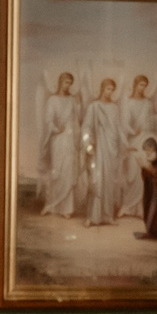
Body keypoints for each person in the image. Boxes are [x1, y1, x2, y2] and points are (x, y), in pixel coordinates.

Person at [38, 71, 85, 218]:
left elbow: (78, 118)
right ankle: (52, 205)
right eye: (66, 82)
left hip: (70, 140)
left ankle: (67, 208)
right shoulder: (52, 100)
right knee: (57, 172)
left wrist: (79, 103)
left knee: (69, 171)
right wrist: (57, 129)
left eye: (70, 83)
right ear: (60, 82)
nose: (68, 85)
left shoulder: (72, 100)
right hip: (58, 140)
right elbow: (49, 121)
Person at [117, 74, 157, 219]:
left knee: (143, 174)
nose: (142, 88)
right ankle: (127, 206)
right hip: (133, 140)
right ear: (135, 85)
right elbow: (124, 122)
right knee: (132, 174)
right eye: (140, 85)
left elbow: (152, 121)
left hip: (145, 139)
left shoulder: (148, 103)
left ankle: (140, 209)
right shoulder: (128, 102)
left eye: (145, 85)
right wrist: (132, 131)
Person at [84, 76, 125, 226]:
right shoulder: (94, 106)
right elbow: (87, 127)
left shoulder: (114, 108)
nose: (110, 92)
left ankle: (108, 216)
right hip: (98, 147)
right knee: (96, 180)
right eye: (108, 89)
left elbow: (118, 128)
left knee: (109, 182)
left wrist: (123, 144)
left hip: (111, 148)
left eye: (113, 90)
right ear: (102, 89)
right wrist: (89, 145)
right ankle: (91, 216)